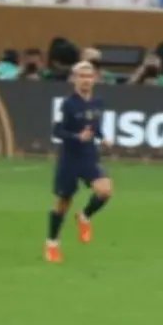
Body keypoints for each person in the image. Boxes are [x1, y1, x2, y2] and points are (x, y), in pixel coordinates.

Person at [42, 59, 111, 264]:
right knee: (63, 202)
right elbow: (57, 130)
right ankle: (52, 243)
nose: (86, 80)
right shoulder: (68, 104)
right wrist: (76, 137)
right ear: (74, 79)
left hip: (89, 155)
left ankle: (84, 217)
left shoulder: (98, 103)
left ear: (95, 79)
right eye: (81, 76)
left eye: (89, 76)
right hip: (70, 158)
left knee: (105, 190)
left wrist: (102, 137)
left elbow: (95, 127)